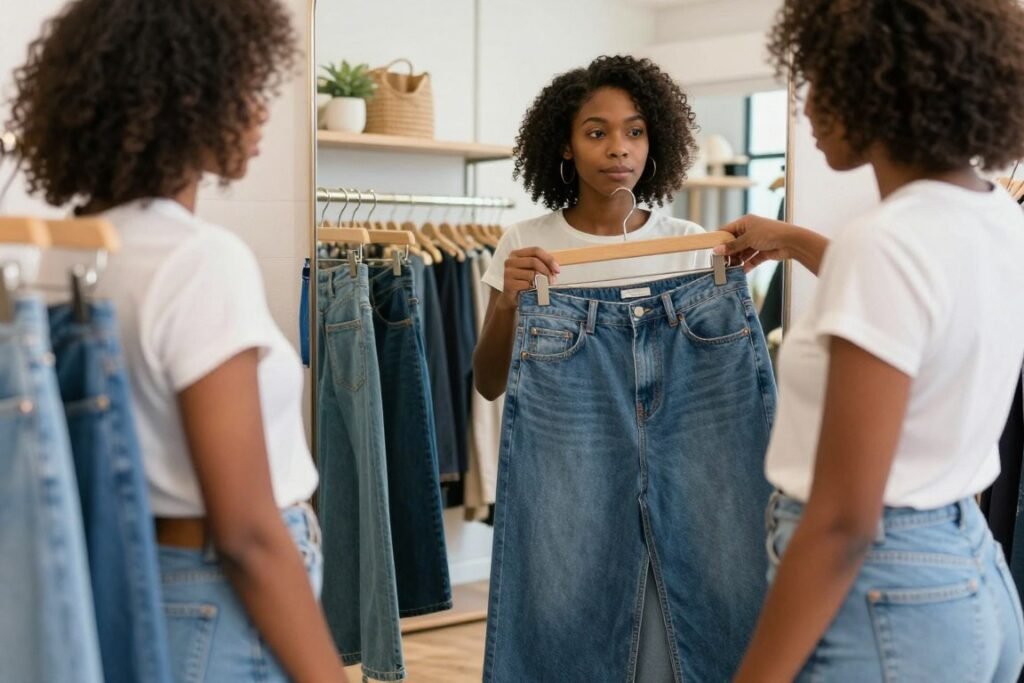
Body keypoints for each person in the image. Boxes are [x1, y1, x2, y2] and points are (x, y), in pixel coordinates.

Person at [7, 1, 349, 681]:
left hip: (123, 578)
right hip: (219, 599)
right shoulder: (198, 260)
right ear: (189, 99)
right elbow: (248, 533)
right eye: (246, 87)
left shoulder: (66, 253)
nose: (259, 112)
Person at [715, 1, 1024, 680]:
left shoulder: (883, 243)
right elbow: (915, 304)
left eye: (825, 79)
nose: (811, 104)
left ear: (879, 84)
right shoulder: (995, 211)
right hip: (971, 568)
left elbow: (843, 521)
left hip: (884, 590)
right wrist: (794, 239)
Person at [474, 54, 705, 399]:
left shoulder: (689, 245)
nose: (619, 149)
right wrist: (508, 305)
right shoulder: (525, 242)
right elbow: (488, 385)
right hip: (561, 445)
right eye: (597, 133)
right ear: (567, 146)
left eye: (635, 132)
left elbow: (709, 379)